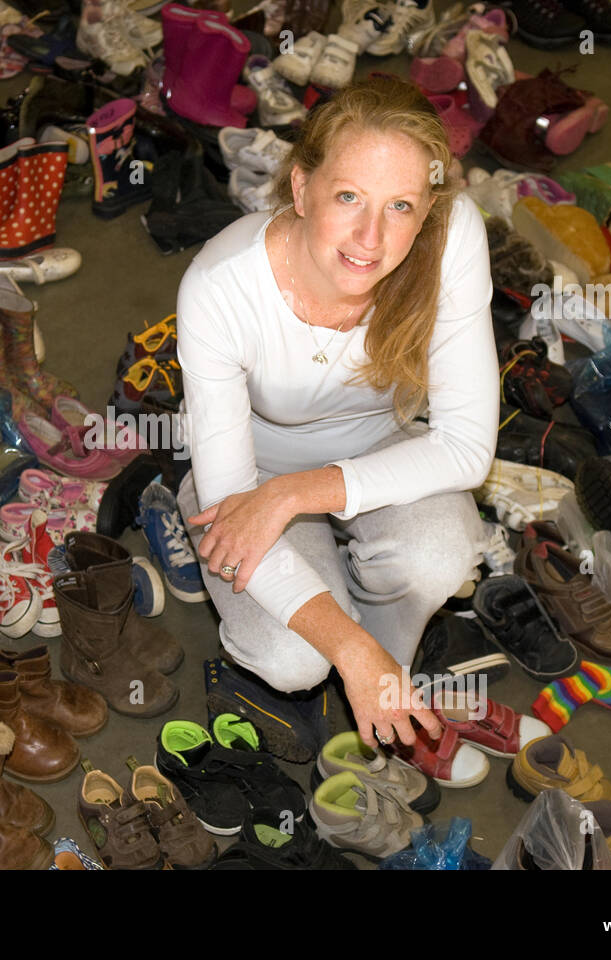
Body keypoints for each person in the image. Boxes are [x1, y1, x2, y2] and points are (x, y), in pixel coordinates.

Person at [175, 76, 498, 750]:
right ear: (300, 189)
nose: (370, 237)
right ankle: (356, 655)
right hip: (248, 474)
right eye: (348, 196)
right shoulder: (218, 286)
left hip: (371, 448)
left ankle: (386, 681)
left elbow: (467, 449)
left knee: (443, 555)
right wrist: (347, 647)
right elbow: (236, 496)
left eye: (400, 205)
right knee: (295, 661)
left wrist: (301, 494)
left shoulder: (453, 235)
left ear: (429, 208)